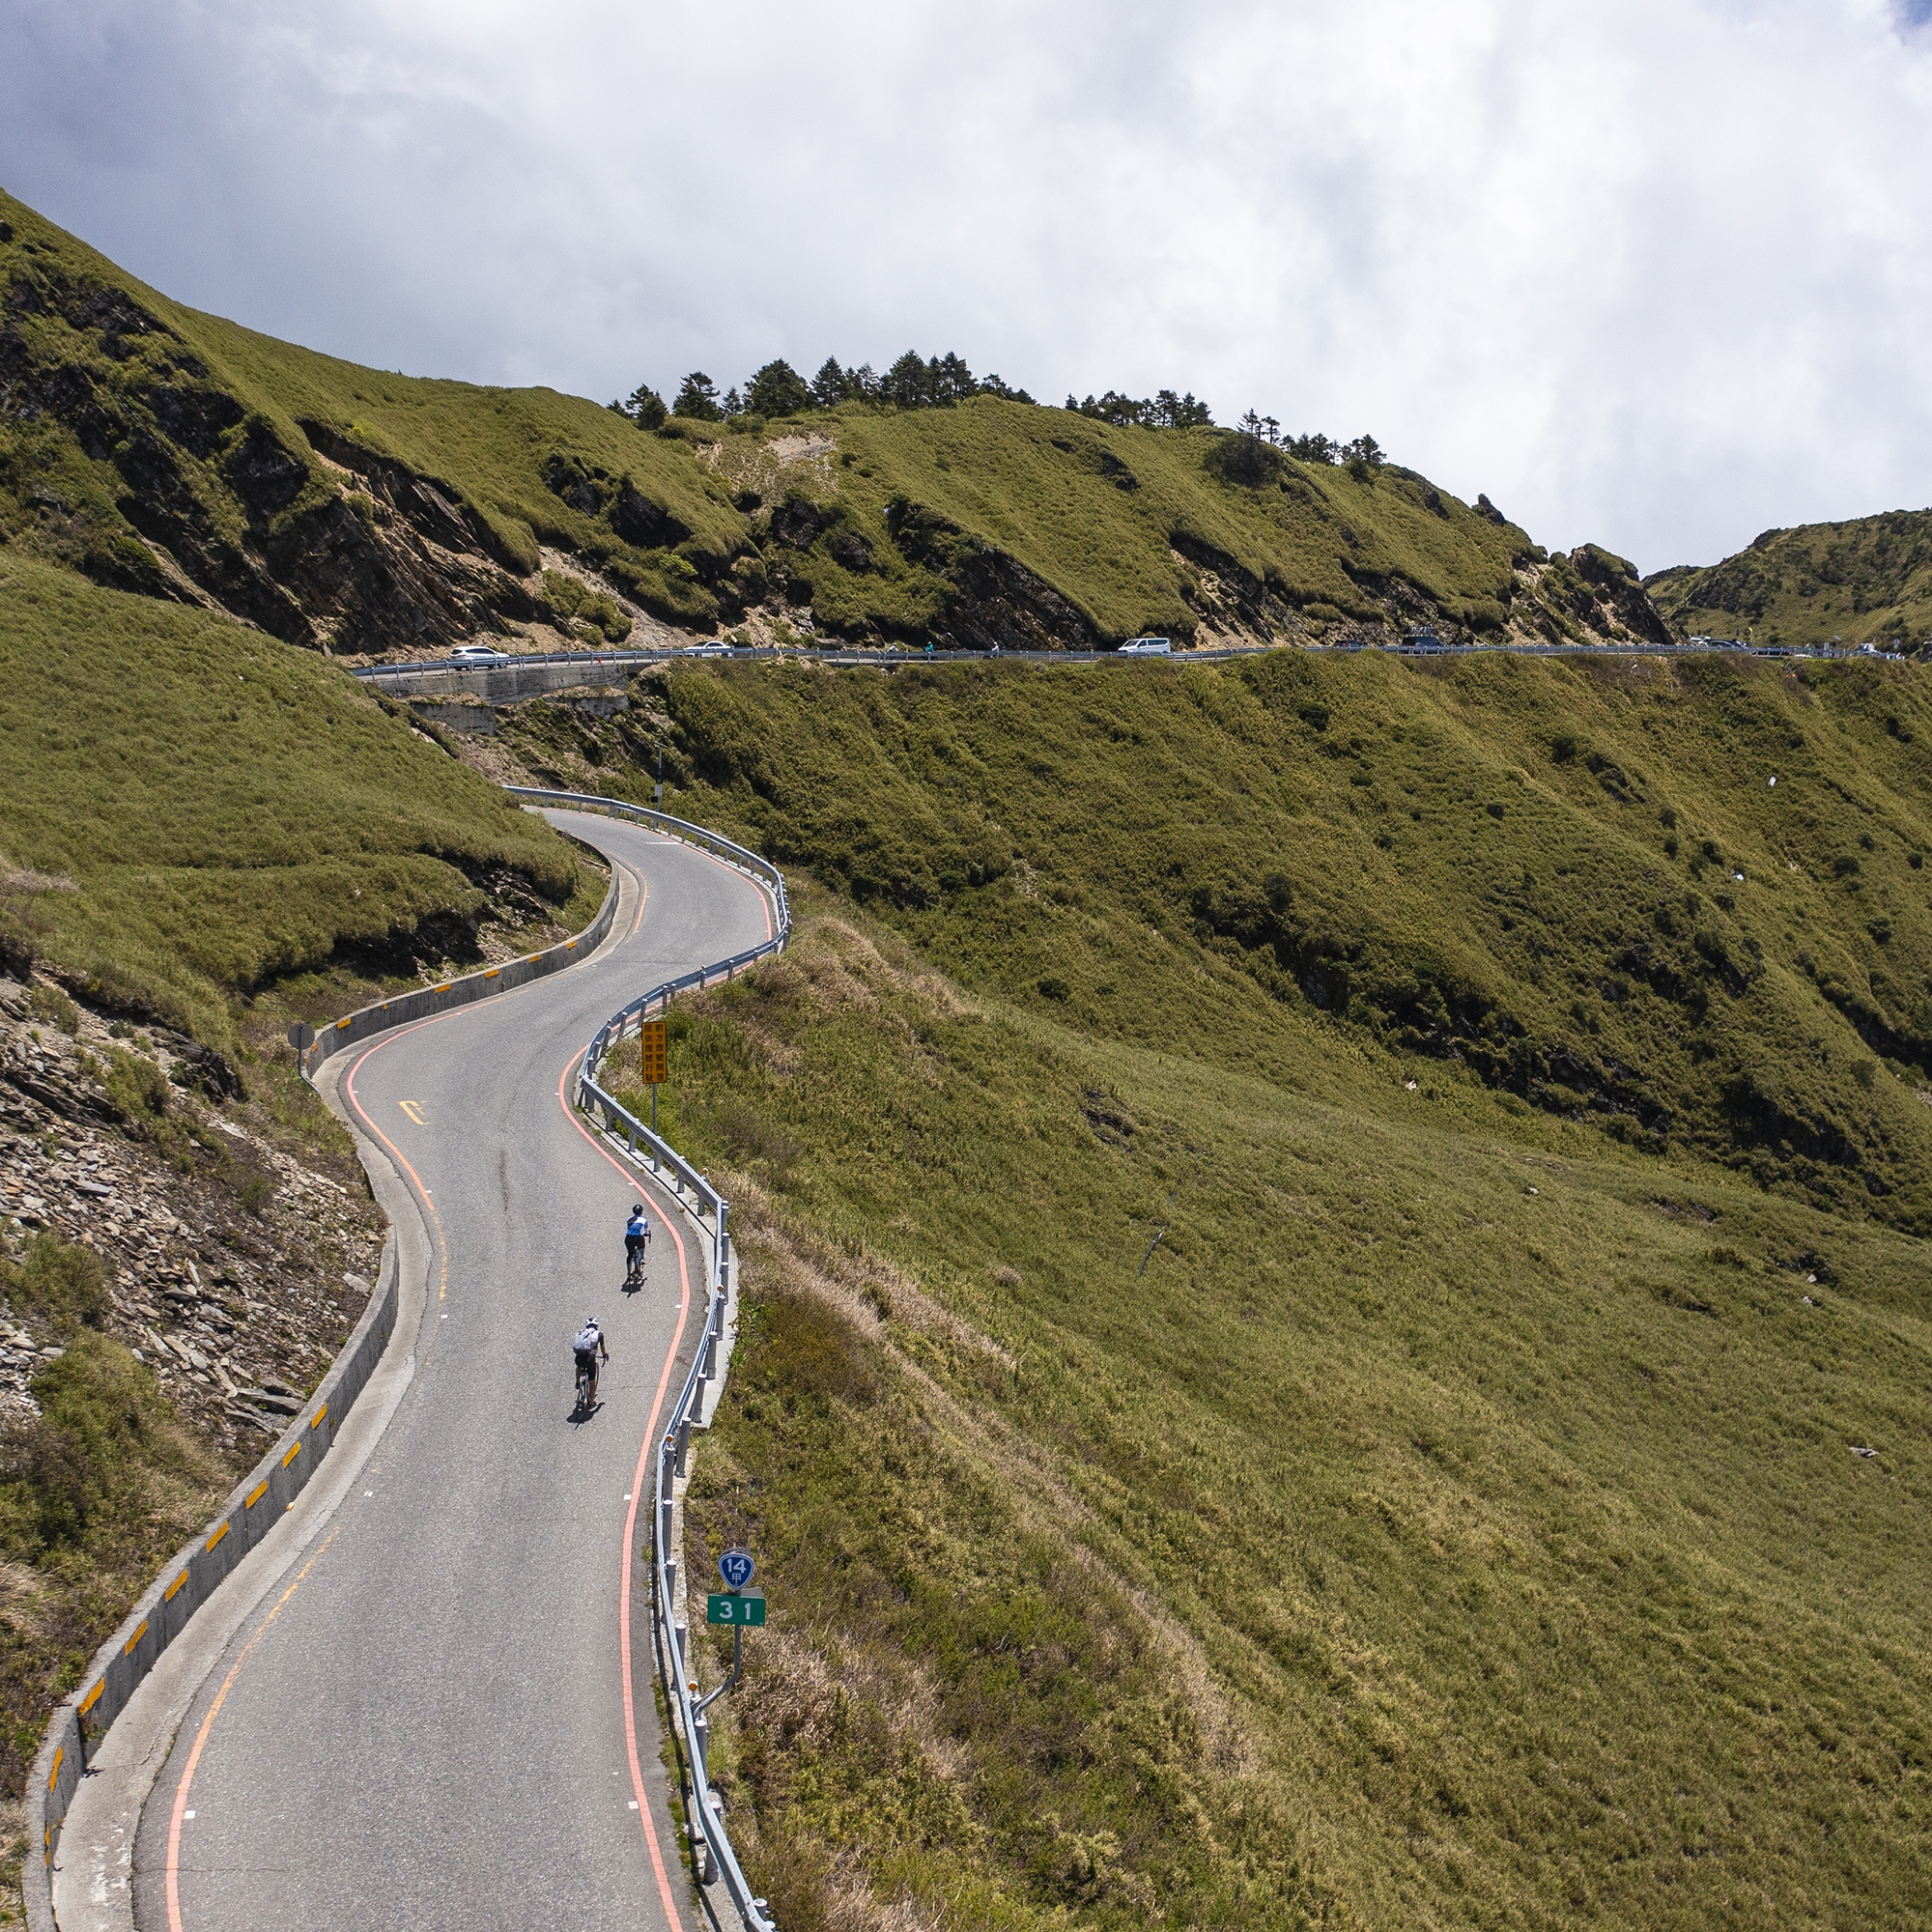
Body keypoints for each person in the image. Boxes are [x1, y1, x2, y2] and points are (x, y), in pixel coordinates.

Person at [573, 1317, 610, 1409]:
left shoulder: (581, 1333)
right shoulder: (599, 1335)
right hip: (589, 1360)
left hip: (579, 1357)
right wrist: (605, 1355)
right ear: (596, 1326)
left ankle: (577, 1382)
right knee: (592, 1381)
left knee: (579, 1366)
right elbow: (602, 1347)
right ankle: (591, 1403)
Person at [624, 1203, 651, 1285]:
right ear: (641, 1212)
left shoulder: (629, 1219)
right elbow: (646, 1230)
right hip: (637, 1238)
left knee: (630, 1254)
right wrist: (647, 1234)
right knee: (642, 1244)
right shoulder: (644, 1220)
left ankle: (629, 1272)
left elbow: (629, 1229)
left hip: (628, 1238)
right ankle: (642, 1257)